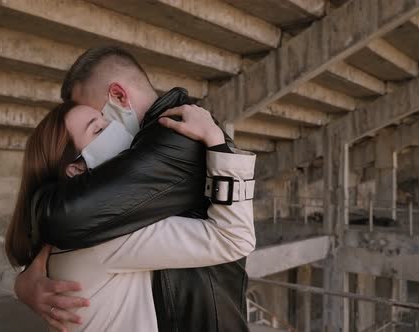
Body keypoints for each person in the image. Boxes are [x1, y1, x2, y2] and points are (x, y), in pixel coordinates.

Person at [14, 47, 256, 332]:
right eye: (97, 129)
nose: (105, 126)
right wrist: (23, 279)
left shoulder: (174, 140)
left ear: (118, 96)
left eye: (100, 120)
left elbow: (64, 217)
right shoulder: (146, 146)